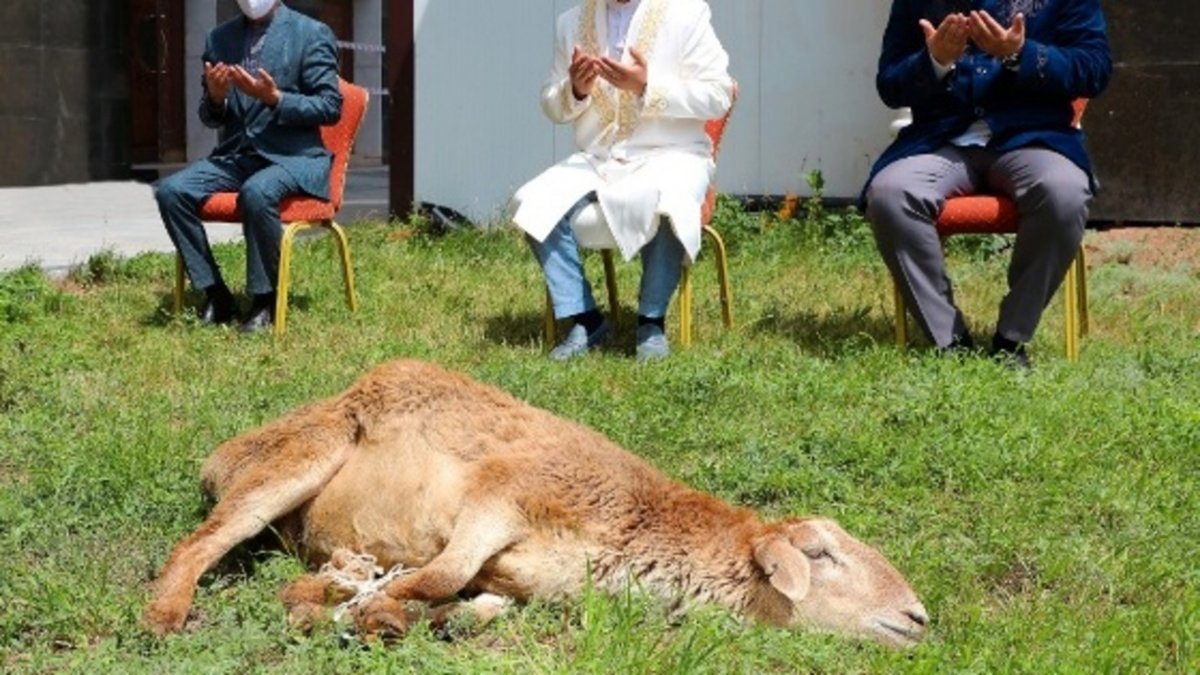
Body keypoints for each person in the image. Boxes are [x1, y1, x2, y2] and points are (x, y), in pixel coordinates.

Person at [864, 0, 1111, 367]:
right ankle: (949, 341)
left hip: (1032, 136)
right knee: (889, 195)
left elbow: (1094, 70)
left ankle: (1011, 338)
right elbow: (890, 84)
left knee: (1064, 194)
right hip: (940, 140)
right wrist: (933, 61)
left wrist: (1021, 53)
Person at [511, 0, 733, 362]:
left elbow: (718, 95)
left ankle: (651, 323)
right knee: (530, 202)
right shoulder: (571, 22)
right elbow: (550, 102)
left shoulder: (686, 12)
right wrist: (575, 89)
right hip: (599, 158)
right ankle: (585, 318)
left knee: (668, 199)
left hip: (672, 153)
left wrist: (647, 85)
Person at [155, 0, 342, 333]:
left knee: (256, 191)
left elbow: (329, 106)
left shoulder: (311, 33)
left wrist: (276, 99)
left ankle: (264, 301)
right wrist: (215, 98)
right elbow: (211, 117)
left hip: (294, 157)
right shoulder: (219, 39)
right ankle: (215, 293)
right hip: (238, 155)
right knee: (171, 191)